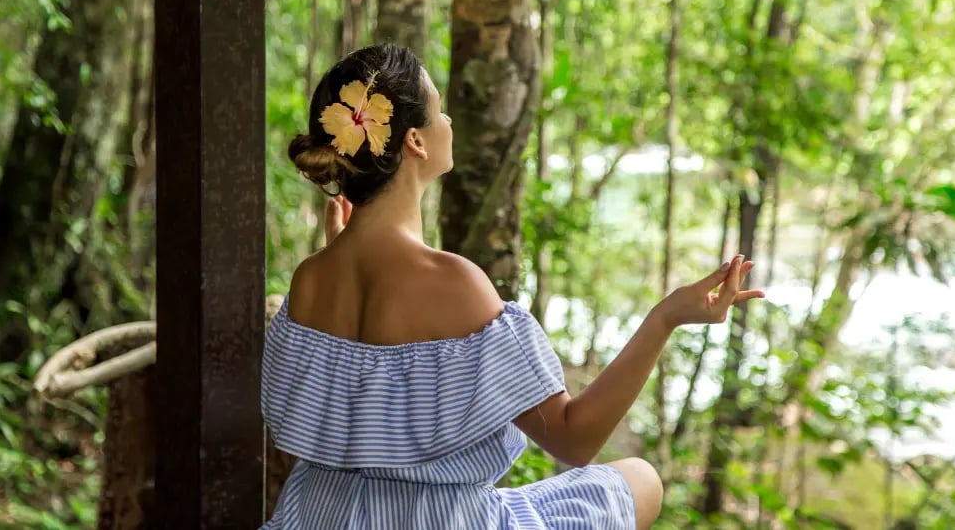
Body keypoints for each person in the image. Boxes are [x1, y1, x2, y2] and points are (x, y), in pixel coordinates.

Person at [260, 44, 765, 529]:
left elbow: (349, 385)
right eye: (440, 111)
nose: (449, 122)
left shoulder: (312, 277)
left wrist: (341, 254)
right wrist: (665, 318)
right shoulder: (455, 283)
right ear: (414, 141)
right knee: (642, 481)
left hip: (314, 515)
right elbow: (574, 438)